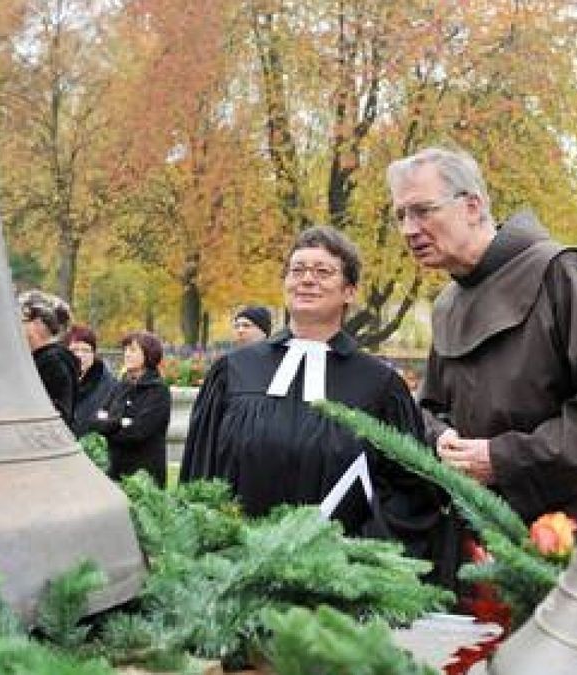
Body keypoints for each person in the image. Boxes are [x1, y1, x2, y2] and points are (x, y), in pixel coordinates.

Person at [180, 226, 453, 583]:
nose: (307, 280)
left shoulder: (379, 386)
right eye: (297, 270)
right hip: (235, 575)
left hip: (339, 586)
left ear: (349, 291)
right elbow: (200, 473)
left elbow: (410, 494)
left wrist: (360, 561)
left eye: (323, 272)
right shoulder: (234, 371)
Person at [386, 147, 577, 525]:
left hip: (566, 532)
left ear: (473, 206)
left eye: (422, 210)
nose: (408, 230)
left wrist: (503, 459)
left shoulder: (559, 272)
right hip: (474, 528)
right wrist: (442, 439)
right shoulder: (448, 302)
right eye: (400, 215)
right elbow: (429, 408)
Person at [89, 331, 172, 485]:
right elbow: (95, 421)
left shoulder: (158, 391)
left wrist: (108, 428)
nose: (126, 354)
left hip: (145, 475)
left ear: (148, 355)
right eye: (125, 350)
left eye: (133, 350)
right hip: (116, 469)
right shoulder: (120, 387)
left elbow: (138, 432)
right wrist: (120, 423)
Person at [19, 289, 80, 431]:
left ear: (38, 323)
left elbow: (58, 415)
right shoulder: (47, 358)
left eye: (22, 321)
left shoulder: (52, 362)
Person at [66, 324, 117, 438]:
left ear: (94, 354)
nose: (79, 355)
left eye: (86, 350)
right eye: (74, 350)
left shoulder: (110, 386)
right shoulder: (54, 380)